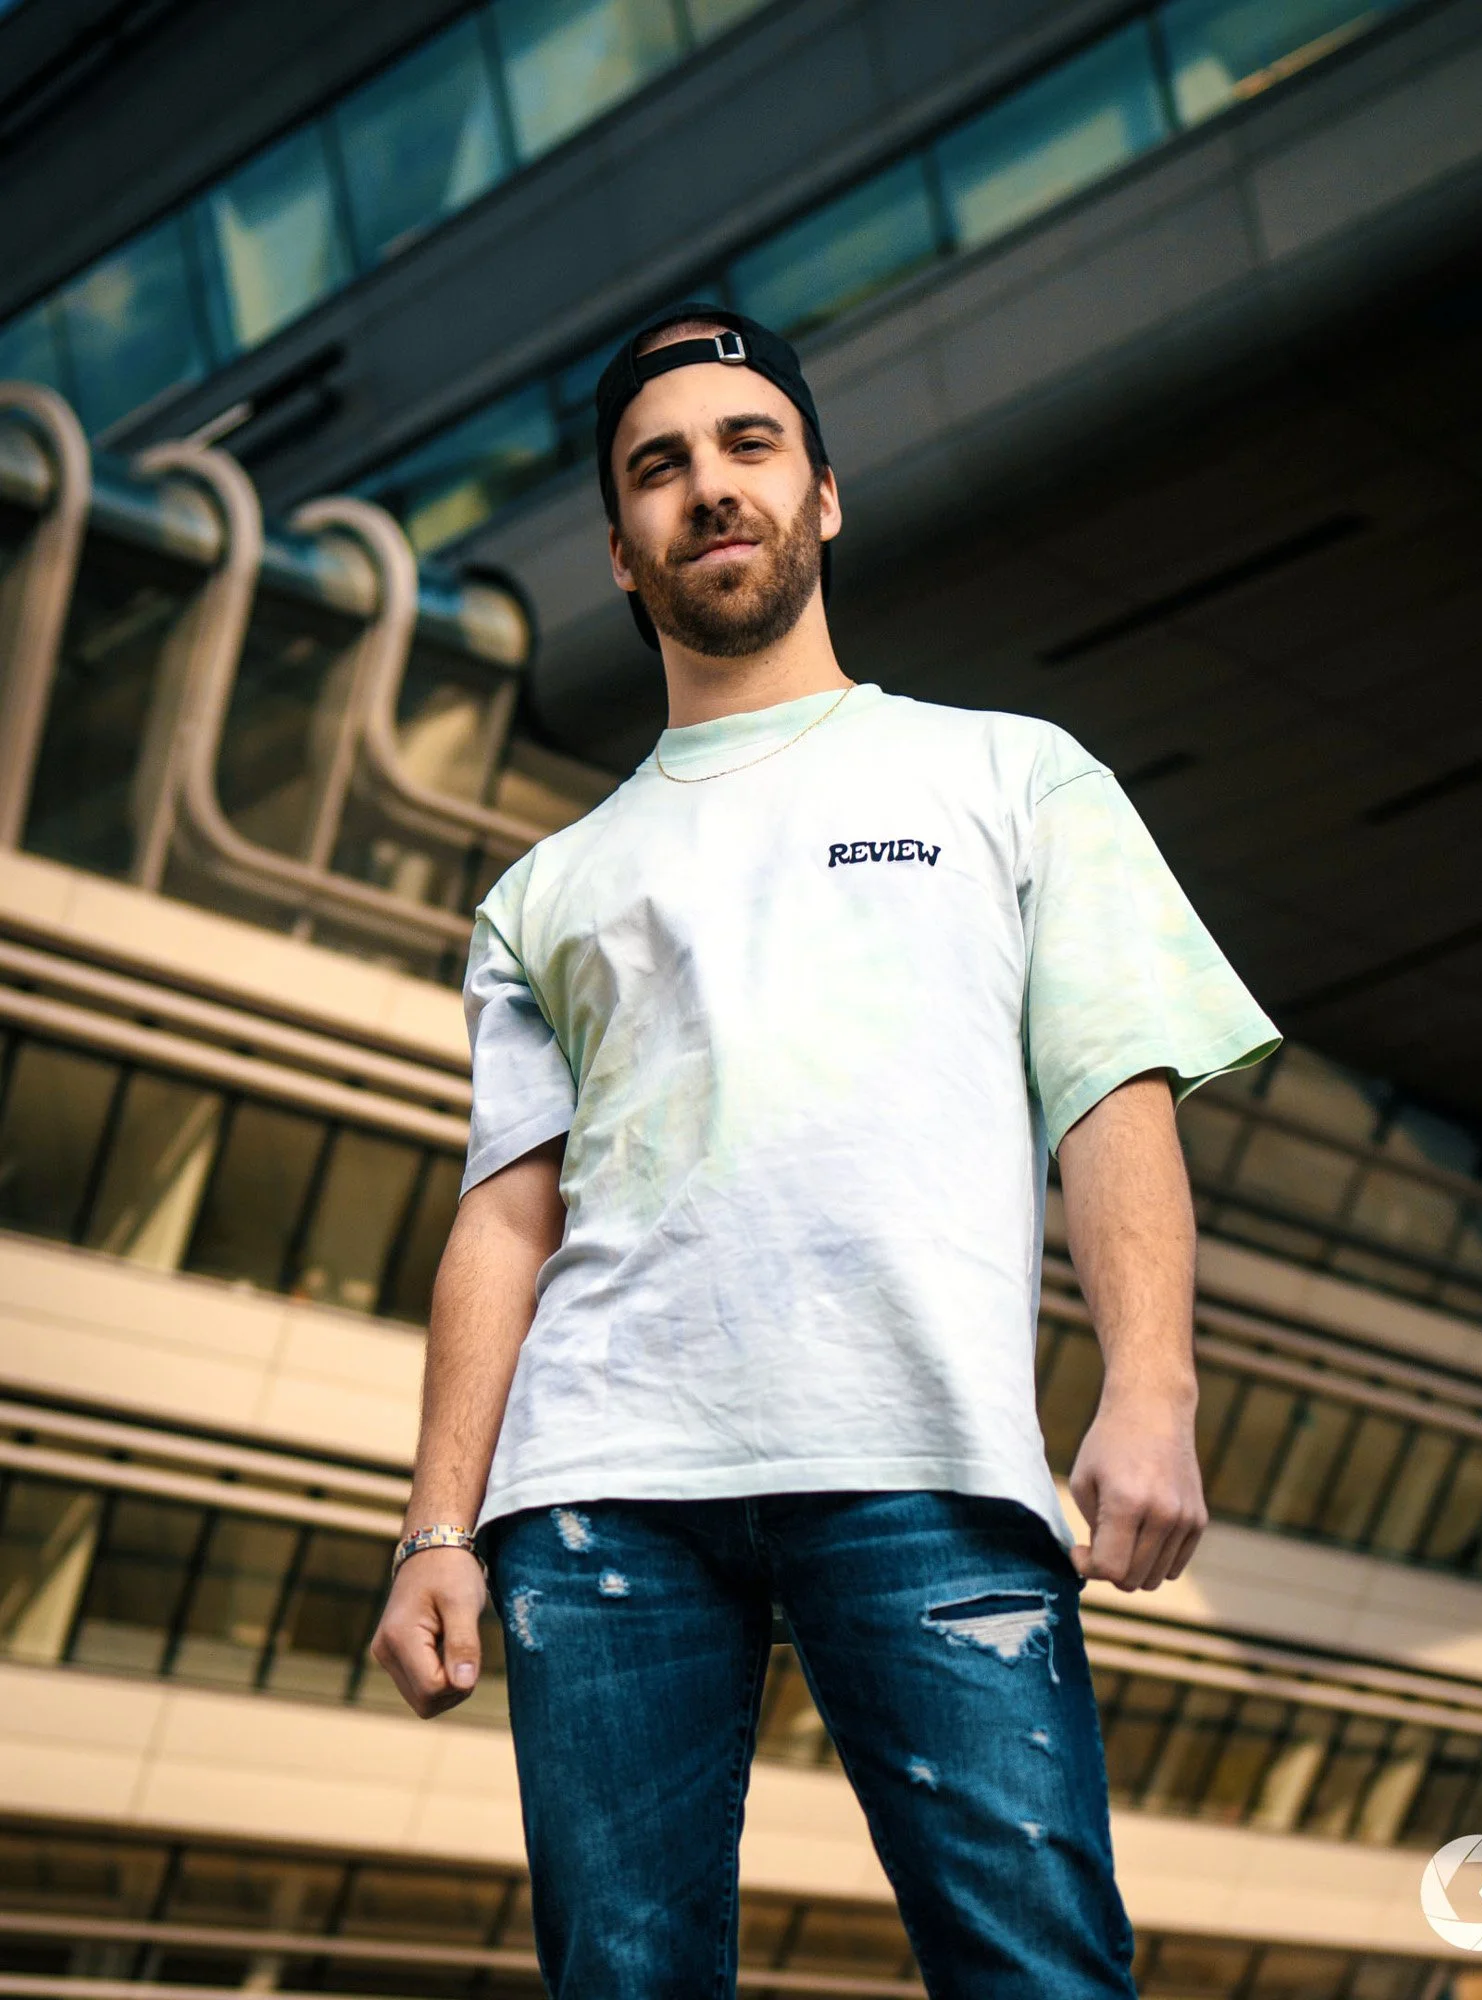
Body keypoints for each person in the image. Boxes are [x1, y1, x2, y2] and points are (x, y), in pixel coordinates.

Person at [372, 303, 1280, 1997]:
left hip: (925, 1458)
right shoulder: (543, 888)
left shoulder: (1011, 777)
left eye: (746, 446)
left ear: (823, 496)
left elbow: (1110, 1092)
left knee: (1043, 1975)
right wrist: (437, 1527)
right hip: (599, 1500)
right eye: (659, 471)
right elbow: (506, 1214)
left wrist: (1153, 1384)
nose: (707, 489)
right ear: (624, 556)